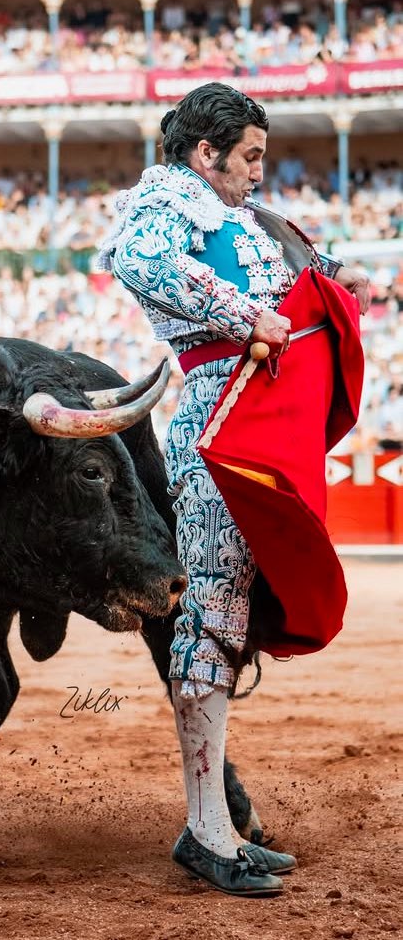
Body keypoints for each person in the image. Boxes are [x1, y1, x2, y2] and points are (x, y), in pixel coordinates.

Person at [98, 83, 369, 897]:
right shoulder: (171, 195)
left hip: (252, 417)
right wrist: (245, 313)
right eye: (247, 156)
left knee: (232, 615)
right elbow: (138, 261)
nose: (258, 171)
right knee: (213, 614)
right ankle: (207, 832)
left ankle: (218, 823)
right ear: (204, 153)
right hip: (219, 422)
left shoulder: (239, 218)